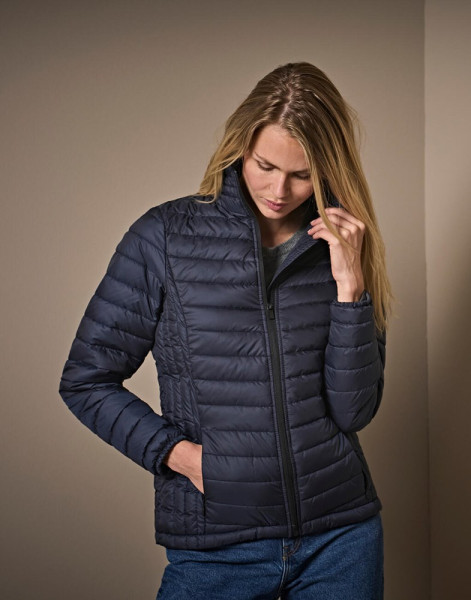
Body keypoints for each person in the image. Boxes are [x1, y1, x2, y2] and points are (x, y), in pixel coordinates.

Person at [59, 62, 392, 599]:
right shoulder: (165, 237)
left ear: (329, 168)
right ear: (241, 146)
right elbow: (85, 380)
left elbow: (355, 412)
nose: (279, 190)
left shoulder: (342, 244)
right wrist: (180, 456)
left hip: (342, 538)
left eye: (302, 174)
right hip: (219, 545)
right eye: (265, 165)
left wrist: (350, 286)